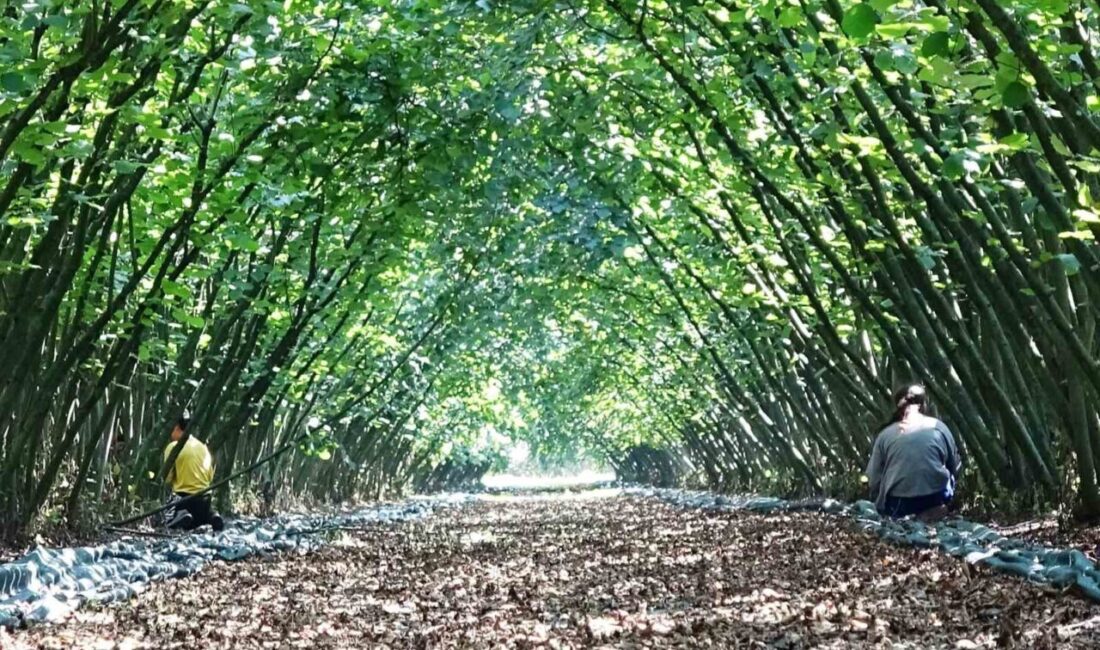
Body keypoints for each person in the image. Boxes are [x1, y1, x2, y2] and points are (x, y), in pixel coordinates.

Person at [866, 384, 961, 520]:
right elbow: (955, 466)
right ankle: (936, 510)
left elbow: (873, 478)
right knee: (948, 475)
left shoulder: (885, 434)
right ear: (923, 405)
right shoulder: (939, 427)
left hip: (899, 502)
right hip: (936, 497)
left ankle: (906, 517)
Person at [162, 415, 225, 531]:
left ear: (176, 427)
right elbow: (210, 477)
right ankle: (212, 516)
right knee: (206, 512)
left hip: (184, 499)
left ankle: (180, 516)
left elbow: (167, 478)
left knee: (168, 509)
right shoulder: (202, 447)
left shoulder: (173, 447)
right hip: (205, 499)